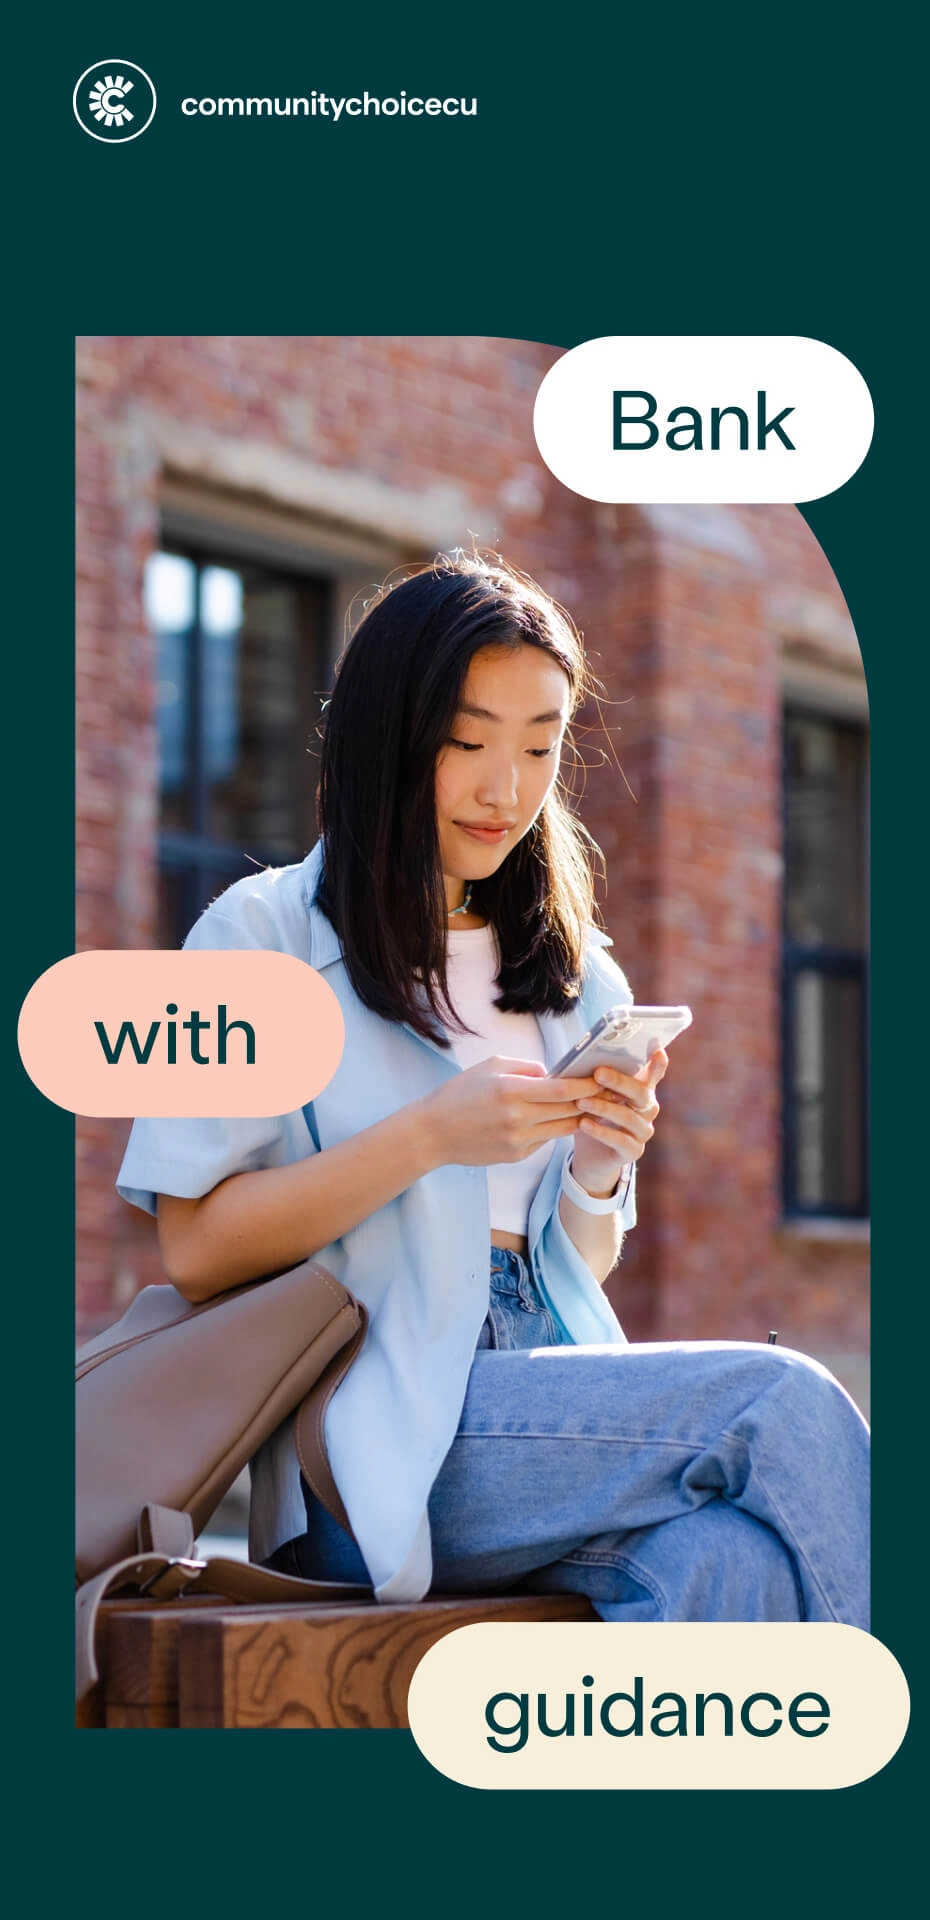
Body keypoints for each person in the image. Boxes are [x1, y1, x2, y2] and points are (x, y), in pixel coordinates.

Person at [117, 551, 870, 1626]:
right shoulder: (262, 937)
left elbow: (580, 1263)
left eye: (539, 744)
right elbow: (194, 1250)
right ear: (393, 734)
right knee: (780, 1403)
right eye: (468, 742)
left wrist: (602, 1165)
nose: (504, 787)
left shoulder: (573, 968)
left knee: (728, 1562)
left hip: (556, 1392)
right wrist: (427, 1138)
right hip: (377, 1422)